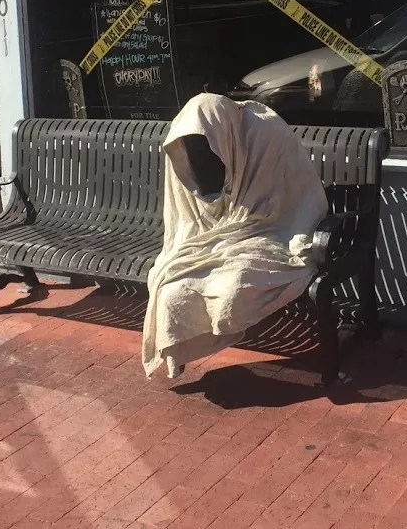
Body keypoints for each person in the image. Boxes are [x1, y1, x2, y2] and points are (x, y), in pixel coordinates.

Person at [141, 93, 328, 378]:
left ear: (225, 132)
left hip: (272, 232)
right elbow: (191, 211)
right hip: (216, 237)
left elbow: (297, 200)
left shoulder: (266, 133)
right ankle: (178, 354)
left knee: (233, 286)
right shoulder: (185, 146)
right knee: (171, 290)